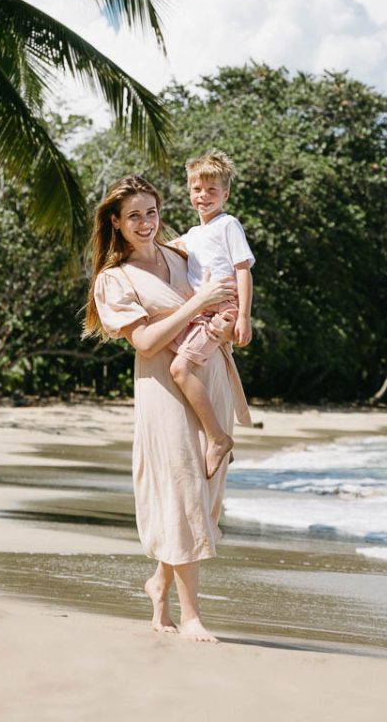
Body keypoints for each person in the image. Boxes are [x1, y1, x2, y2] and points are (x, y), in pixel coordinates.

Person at [83, 174, 253, 643]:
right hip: (164, 391)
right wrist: (196, 305)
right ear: (116, 222)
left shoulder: (183, 254)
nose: (145, 223)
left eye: (152, 212)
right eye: (134, 216)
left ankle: (159, 584)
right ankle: (191, 614)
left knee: (204, 495)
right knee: (182, 491)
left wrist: (226, 322)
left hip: (210, 381)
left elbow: (227, 292)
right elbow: (145, 341)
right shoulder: (114, 279)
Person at [167, 151, 254, 481]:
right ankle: (216, 435)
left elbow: (243, 270)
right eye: (196, 189)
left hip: (223, 309)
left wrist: (243, 316)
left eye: (211, 190)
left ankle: (218, 438)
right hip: (200, 311)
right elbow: (164, 250)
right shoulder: (192, 234)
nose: (203, 196)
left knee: (180, 368)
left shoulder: (228, 225)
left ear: (225, 194)